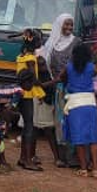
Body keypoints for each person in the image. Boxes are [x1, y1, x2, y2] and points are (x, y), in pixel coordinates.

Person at [40, 13, 79, 166]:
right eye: (66, 24)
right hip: (57, 89)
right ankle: (62, 156)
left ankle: (74, 156)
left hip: (72, 89)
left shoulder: (76, 42)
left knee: (72, 120)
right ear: (59, 25)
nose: (69, 27)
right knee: (59, 122)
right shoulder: (51, 43)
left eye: (71, 25)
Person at [63, 42, 97, 178]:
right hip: (90, 102)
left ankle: (83, 168)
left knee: (78, 137)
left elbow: (62, 78)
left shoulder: (69, 67)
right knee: (93, 137)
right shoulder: (92, 67)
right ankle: (95, 168)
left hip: (75, 103)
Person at [14, 29, 46, 172]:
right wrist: (45, 87)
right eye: (39, 40)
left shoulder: (21, 56)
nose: (41, 42)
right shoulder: (31, 58)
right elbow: (34, 78)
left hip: (21, 93)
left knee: (27, 126)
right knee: (29, 127)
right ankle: (27, 160)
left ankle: (23, 158)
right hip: (27, 95)